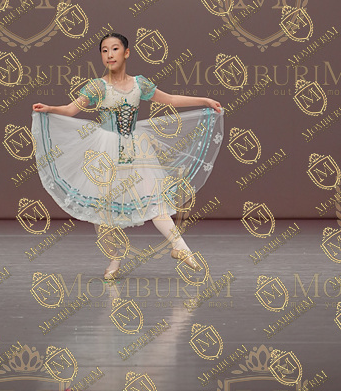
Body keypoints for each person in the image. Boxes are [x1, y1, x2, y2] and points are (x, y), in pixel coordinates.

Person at [32, 32, 224, 280]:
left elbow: (170, 99)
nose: (109, 55)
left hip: (136, 149)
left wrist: (204, 100)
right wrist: (49, 108)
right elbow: (71, 109)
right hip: (105, 151)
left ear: (126, 52)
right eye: (104, 50)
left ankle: (180, 247)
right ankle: (114, 257)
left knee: (155, 198)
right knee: (103, 210)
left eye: (114, 49)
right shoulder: (97, 87)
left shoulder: (139, 84)